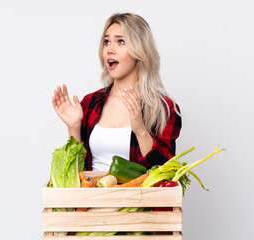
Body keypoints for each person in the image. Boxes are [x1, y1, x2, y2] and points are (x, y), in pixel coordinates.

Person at [52, 13, 181, 171]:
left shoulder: (163, 108)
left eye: (120, 41)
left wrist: (140, 130)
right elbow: (75, 174)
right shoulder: (90, 103)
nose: (109, 50)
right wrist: (73, 127)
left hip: (137, 196)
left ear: (140, 49)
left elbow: (165, 172)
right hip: (92, 195)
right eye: (107, 42)